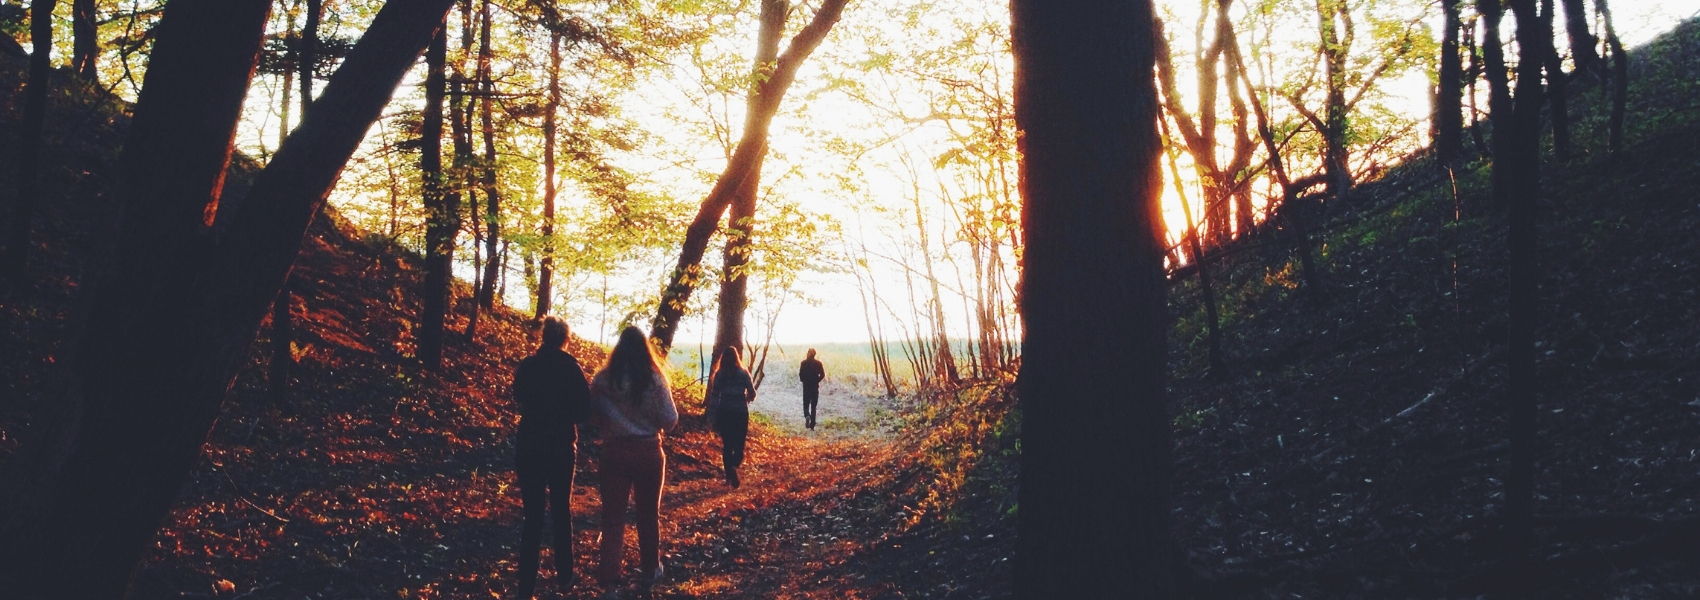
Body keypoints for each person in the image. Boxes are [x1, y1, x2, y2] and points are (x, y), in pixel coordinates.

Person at [588, 326, 679, 597]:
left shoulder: (603, 380)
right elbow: (670, 419)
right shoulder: (654, 379)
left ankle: (609, 580)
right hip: (648, 451)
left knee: (612, 517)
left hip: (614, 451)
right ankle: (650, 570)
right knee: (648, 514)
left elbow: (591, 416)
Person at [509, 316, 593, 598]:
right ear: (565, 339)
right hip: (560, 446)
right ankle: (565, 576)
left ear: (544, 336)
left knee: (532, 515)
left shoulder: (528, 365)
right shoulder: (571, 369)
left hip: (529, 443)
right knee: (560, 510)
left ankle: (525, 586)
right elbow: (584, 411)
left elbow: (518, 395)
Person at [706, 347, 755, 487]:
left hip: (725, 412)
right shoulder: (744, 373)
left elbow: (714, 396)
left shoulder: (720, 374)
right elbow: (752, 392)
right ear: (737, 357)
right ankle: (734, 466)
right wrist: (747, 398)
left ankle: (729, 476)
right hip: (740, 412)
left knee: (727, 445)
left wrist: (712, 416)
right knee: (739, 444)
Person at [798, 348, 826, 430]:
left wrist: (803, 380)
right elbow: (823, 375)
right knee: (813, 407)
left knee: (806, 405)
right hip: (814, 387)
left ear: (808, 354)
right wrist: (817, 380)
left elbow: (800, 374)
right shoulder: (818, 363)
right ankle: (812, 425)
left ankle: (807, 416)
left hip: (806, 387)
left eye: (807, 352)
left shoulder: (803, 363)